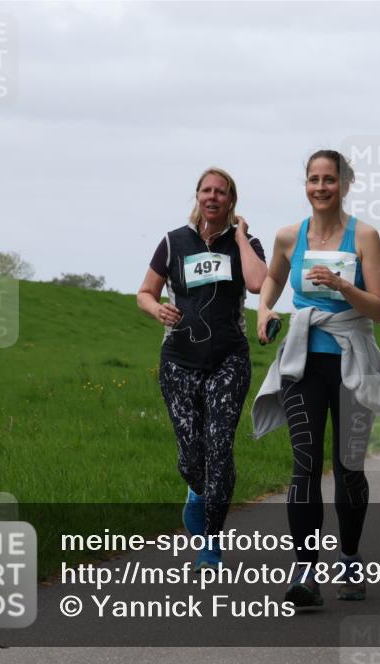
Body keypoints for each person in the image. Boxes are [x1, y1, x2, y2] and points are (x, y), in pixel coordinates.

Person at [252, 150, 380, 607]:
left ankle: (350, 558)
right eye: (313, 179)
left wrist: (342, 286)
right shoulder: (288, 236)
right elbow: (272, 279)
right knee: (305, 466)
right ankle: (306, 572)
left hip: (351, 361)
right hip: (303, 364)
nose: (320, 187)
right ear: (306, 184)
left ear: (345, 184)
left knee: (349, 469)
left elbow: (379, 307)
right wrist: (264, 310)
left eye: (329, 179)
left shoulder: (365, 237)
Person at [136, 167, 267, 571]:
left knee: (219, 448)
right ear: (197, 196)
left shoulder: (246, 243)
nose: (213, 197)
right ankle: (197, 493)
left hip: (229, 359)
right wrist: (157, 308)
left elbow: (259, 283)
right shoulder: (174, 242)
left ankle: (210, 542)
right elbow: (144, 292)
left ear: (231, 201)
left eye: (221, 192)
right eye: (206, 190)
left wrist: (241, 237)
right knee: (190, 457)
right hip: (178, 361)